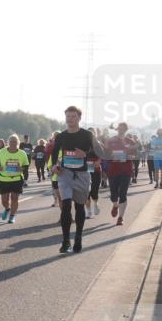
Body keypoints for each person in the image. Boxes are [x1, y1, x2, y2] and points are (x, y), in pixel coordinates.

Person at [49, 106, 103, 254]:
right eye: (67, 116)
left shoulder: (87, 135)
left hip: (82, 174)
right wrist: (54, 165)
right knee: (66, 205)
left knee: (79, 207)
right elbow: (55, 152)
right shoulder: (61, 136)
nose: (69, 119)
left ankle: (78, 237)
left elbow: (100, 151)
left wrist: (85, 154)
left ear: (79, 118)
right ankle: (65, 240)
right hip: (65, 174)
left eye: (73, 116)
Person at [103, 122, 138, 226]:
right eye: (119, 128)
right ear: (117, 129)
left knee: (123, 194)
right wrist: (111, 156)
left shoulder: (130, 141)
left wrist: (131, 157)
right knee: (113, 194)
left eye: (123, 128)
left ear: (126, 130)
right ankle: (115, 205)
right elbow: (105, 154)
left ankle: (121, 217)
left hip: (126, 171)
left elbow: (135, 155)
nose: (121, 130)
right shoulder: (111, 140)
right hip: (113, 170)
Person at [0, 135, 28, 223]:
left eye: (15, 141)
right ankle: (7, 208)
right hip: (4, 179)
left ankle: (12, 216)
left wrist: (22, 169)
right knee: (4, 200)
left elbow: (26, 165)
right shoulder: (2, 152)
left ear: (18, 143)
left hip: (17, 179)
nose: (13, 143)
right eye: (11, 141)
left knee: (14, 199)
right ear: (8, 142)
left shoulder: (22, 153)